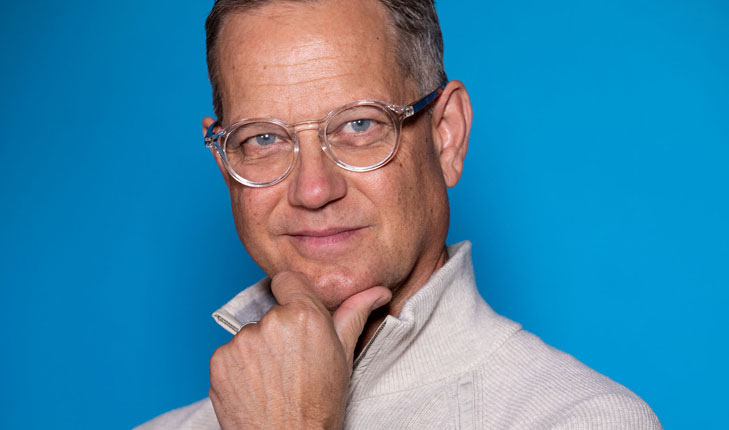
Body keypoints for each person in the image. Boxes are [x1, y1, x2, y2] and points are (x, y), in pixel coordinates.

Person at [139, 0, 662, 428]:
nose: (314, 189)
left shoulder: (584, 419)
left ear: (446, 135)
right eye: (264, 138)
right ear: (225, 162)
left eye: (361, 125)